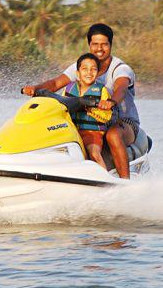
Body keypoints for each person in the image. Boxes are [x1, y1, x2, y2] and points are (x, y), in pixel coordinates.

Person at [21, 23, 140, 178]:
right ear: (89, 45)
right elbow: (56, 83)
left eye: (104, 44)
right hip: (90, 120)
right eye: (95, 44)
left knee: (113, 135)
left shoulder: (120, 69)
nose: (99, 48)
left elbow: (121, 88)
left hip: (123, 122)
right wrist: (36, 89)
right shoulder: (83, 66)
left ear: (110, 45)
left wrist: (111, 102)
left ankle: (125, 183)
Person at [63, 52, 113, 169]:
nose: (89, 73)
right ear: (78, 73)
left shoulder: (102, 91)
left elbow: (107, 117)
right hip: (72, 131)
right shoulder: (68, 88)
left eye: (93, 69)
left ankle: (105, 182)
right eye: (85, 69)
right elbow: (62, 106)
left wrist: (90, 109)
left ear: (98, 73)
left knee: (94, 153)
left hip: (92, 132)